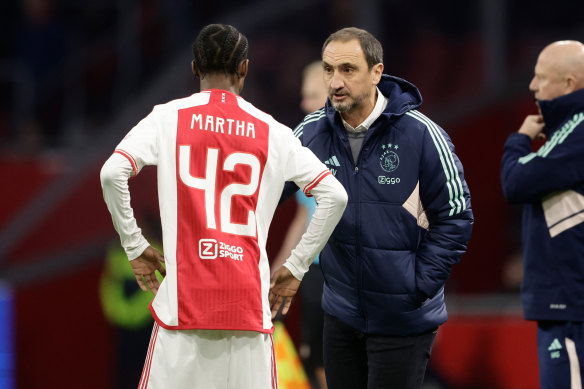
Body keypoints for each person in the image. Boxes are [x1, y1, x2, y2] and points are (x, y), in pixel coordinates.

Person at [100, 23, 347, 389]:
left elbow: (112, 173)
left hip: (182, 314)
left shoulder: (168, 118)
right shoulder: (272, 130)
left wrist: (135, 245)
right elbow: (335, 196)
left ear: (195, 68)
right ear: (244, 68)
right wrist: (295, 267)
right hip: (248, 314)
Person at [276, 27, 474, 389]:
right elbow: (266, 190)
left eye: (348, 69)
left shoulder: (422, 135)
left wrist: (416, 287)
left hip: (402, 319)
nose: (335, 81)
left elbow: (456, 217)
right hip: (340, 313)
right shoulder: (311, 132)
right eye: (328, 69)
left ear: (377, 72)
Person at [500, 40, 584, 389]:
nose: (533, 86)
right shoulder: (566, 131)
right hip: (565, 303)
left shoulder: (578, 131)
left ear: (568, 84)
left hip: (571, 304)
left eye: (541, 77)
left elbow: (515, 181)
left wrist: (519, 140)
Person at [273, 60, 329, 389]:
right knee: (318, 360)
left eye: (311, 96)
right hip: (314, 273)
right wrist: (278, 266)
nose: (303, 104)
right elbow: (302, 216)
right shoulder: (304, 149)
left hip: (348, 272)